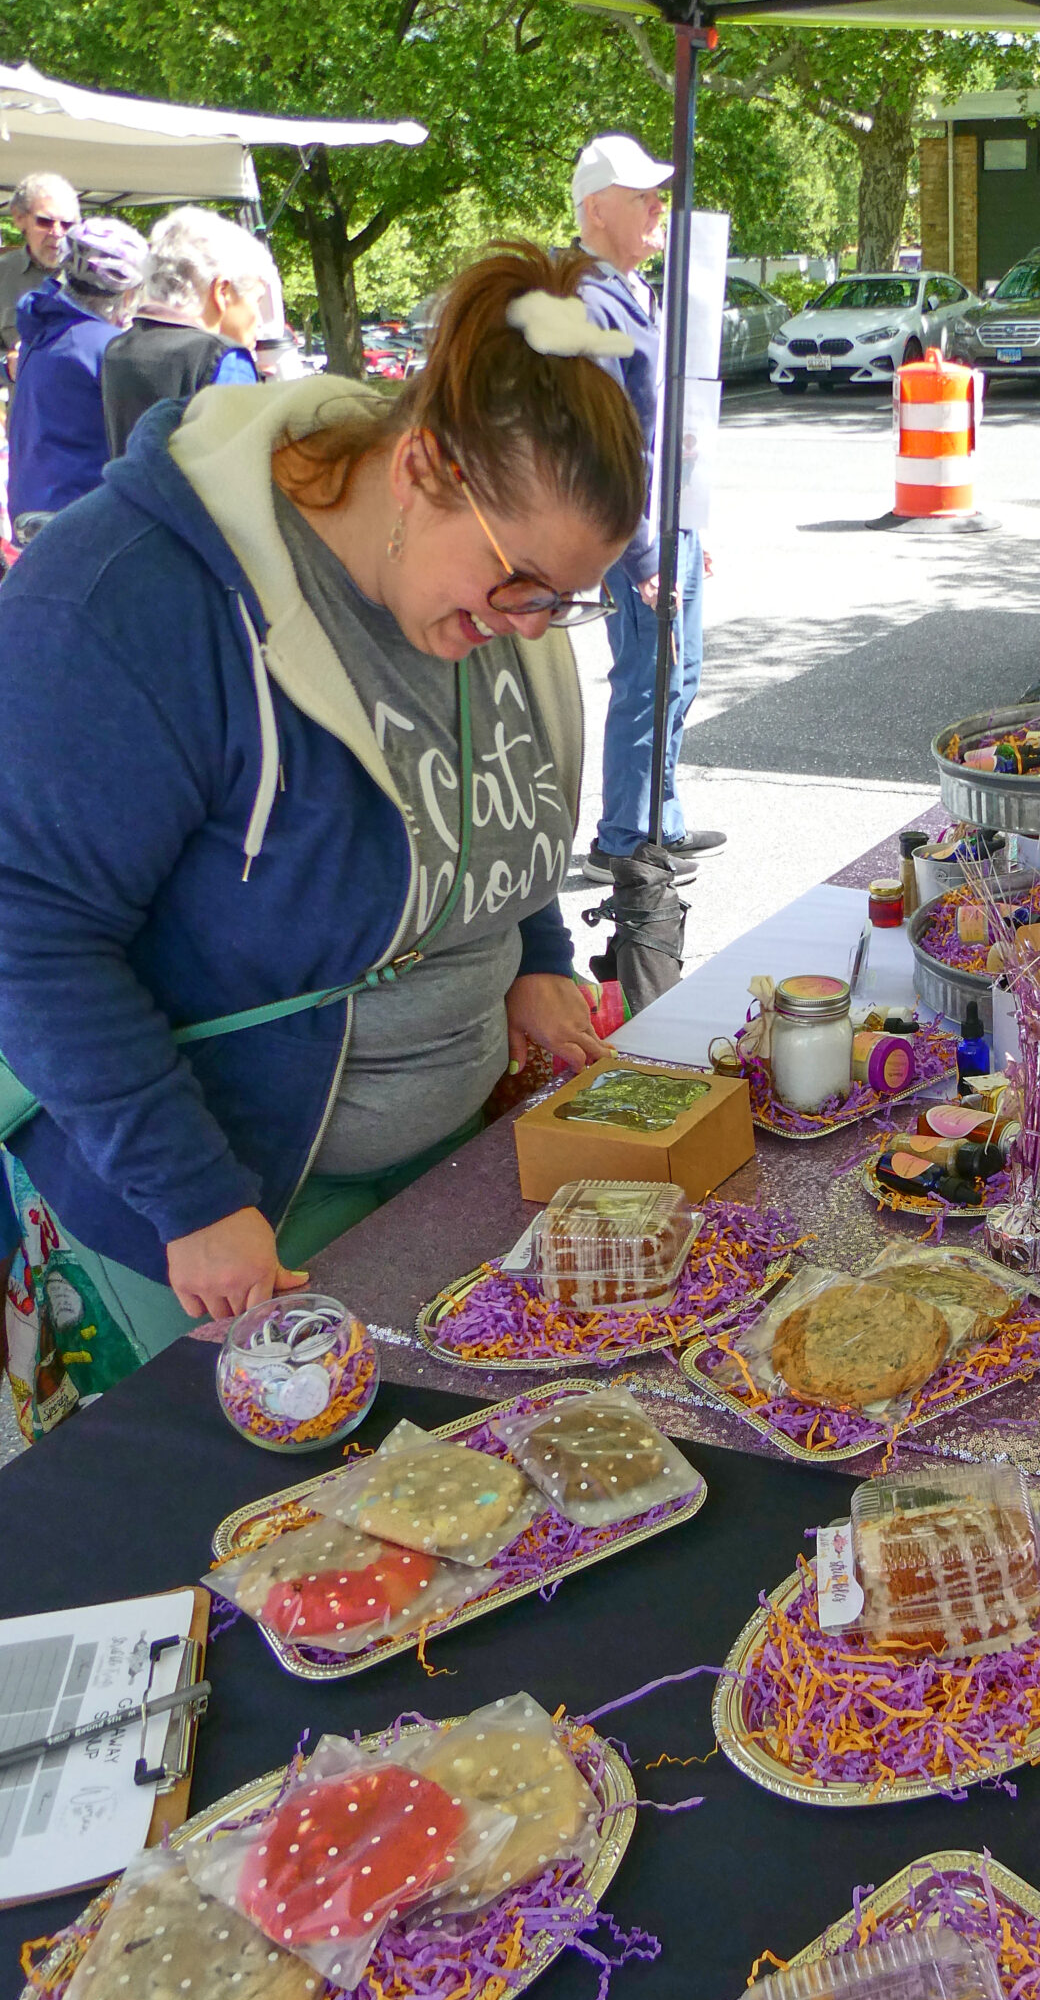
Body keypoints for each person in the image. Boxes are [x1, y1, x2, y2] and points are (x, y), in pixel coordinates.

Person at [0, 241, 637, 1426]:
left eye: (561, 601)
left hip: (437, 1172)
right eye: (520, 587)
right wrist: (194, 1198)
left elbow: (463, 785)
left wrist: (538, 954)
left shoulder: (476, 593)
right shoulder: (120, 599)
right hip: (223, 1220)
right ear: (425, 465)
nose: (529, 627)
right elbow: (29, 936)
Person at [573, 132, 724, 873]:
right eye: (642, 197)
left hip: (669, 521)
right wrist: (640, 554)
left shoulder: (631, 292)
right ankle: (624, 839)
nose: (658, 208)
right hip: (639, 531)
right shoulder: (590, 302)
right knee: (647, 676)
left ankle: (658, 820)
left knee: (679, 672)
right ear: (596, 210)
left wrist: (687, 520)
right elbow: (602, 442)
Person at [8, 216, 148, 525]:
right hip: (81, 516)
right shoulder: (111, 348)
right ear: (127, 294)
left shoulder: (42, 327)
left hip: (32, 505)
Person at [101, 206, 273, 456]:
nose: (259, 320)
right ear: (222, 292)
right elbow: (243, 470)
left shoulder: (118, 348)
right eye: (257, 300)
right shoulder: (226, 359)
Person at [0, 171, 78, 361]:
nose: (57, 232)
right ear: (19, 218)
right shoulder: (4, 273)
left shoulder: (96, 277)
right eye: (45, 222)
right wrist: (7, 364)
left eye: (67, 224)